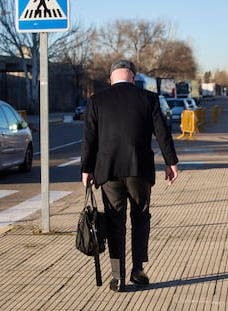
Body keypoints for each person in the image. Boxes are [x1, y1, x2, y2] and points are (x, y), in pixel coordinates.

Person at [80, 60, 179, 292]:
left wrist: (87, 168)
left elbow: (90, 139)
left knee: (115, 221)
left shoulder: (97, 101)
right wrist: (171, 162)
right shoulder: (148, 99)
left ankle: (118, 277)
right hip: (140, 171)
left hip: (109, 171)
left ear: (111, 78)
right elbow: (162, 133)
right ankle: (138, 269)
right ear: (133, 77)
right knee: (141, 217)